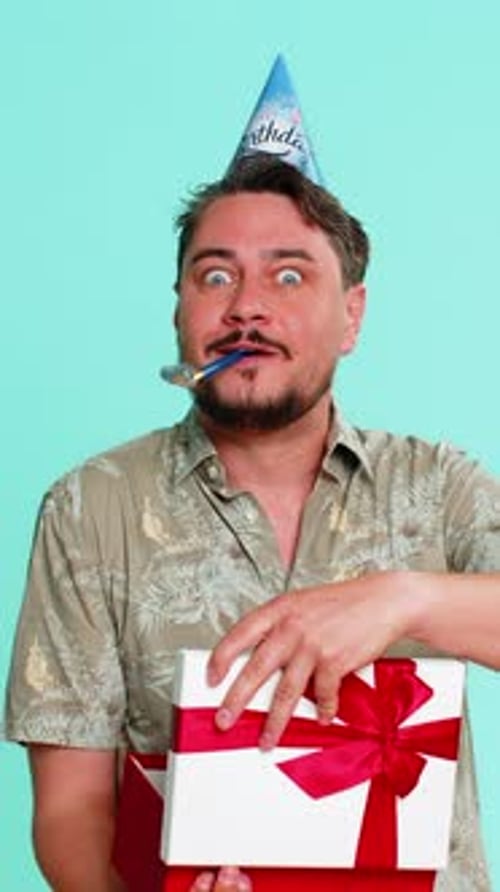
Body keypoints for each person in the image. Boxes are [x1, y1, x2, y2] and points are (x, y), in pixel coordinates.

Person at [4, 153, 500, 892]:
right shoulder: (90, 508)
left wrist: (407, 599)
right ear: (179, 310)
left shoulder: (438, 486)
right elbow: (71, 808)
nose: (246, 307)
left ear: (352, 317)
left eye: (290, 275)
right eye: (215, 276)